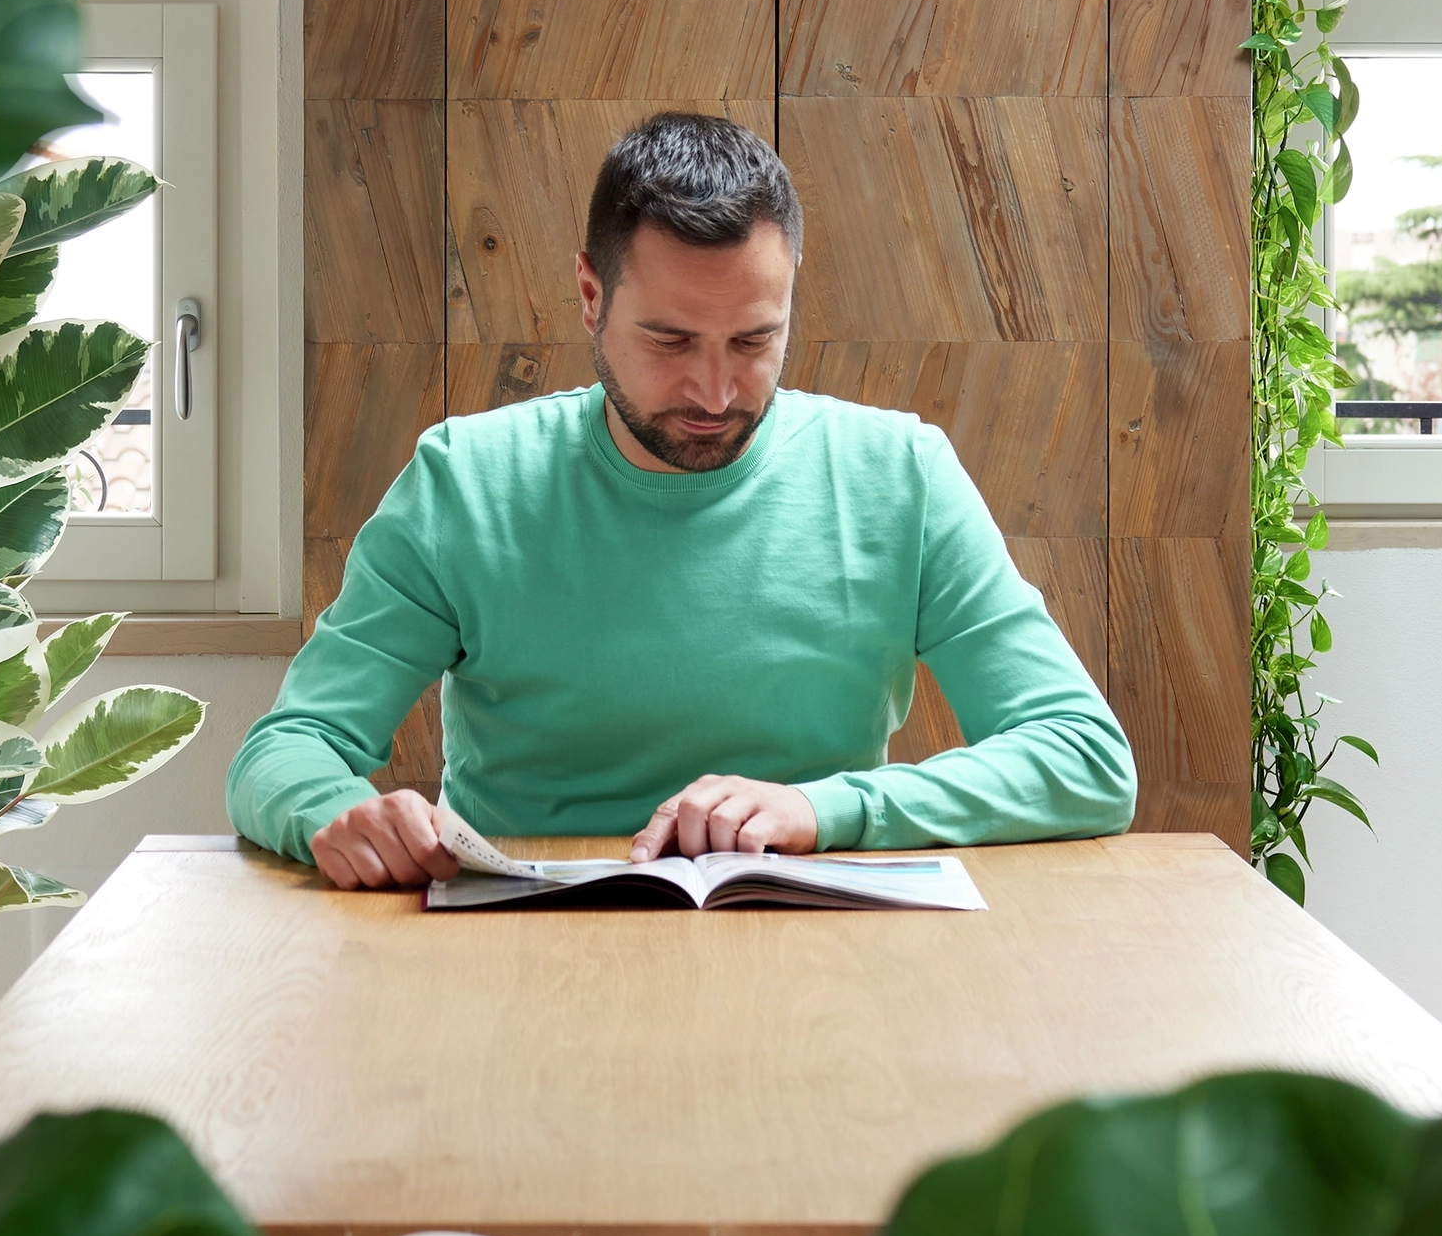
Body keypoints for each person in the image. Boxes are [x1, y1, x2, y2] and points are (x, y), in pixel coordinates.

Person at [228, 110, 1137, 890]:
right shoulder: (465, 482)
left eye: (753, 340)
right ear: (590, 295)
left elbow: (1084, 758)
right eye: (669, 339)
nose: (713, 392)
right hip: (516, 948)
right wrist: (336, 813)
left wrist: (825, 809)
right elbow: (287, 746)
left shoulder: (900, 474)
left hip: (818, 950)